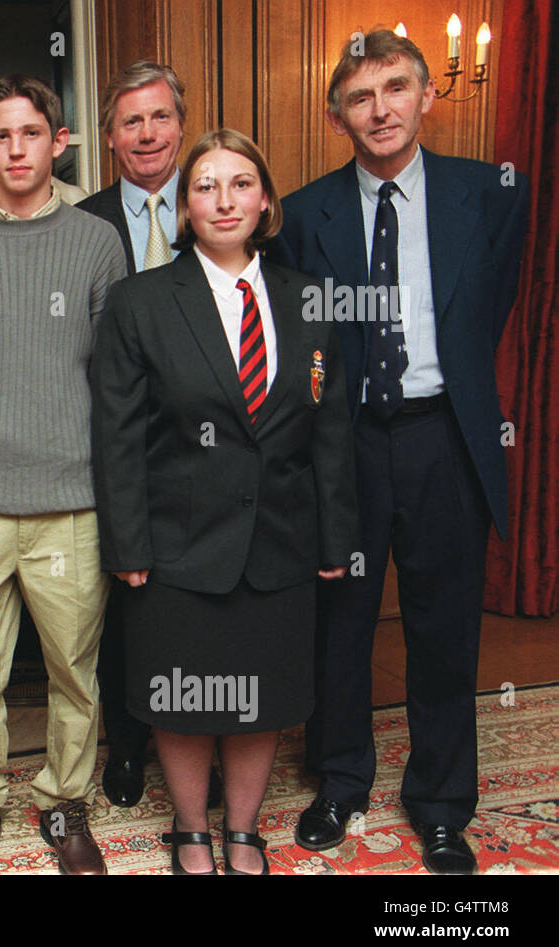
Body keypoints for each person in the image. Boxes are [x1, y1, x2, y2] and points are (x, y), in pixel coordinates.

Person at [272, 29, 529, 874]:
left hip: (441, 437)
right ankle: (340, 781)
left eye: (395, 89)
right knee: (340, 624)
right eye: (360, 95)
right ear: (336, 113)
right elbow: (301, 342)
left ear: (427, 95)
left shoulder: (490, 193)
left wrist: (445, 383)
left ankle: (443, 802)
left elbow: (486, 311)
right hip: (345, 445)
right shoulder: (305, 214)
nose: (379, 109)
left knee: (444, 629)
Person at [91, 128, 359, 874]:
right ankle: (189, 829)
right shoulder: (140, 301)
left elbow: (330, 425)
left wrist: (336, 538)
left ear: (265, 199)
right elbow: (116, 437)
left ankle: (241, 828)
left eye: (241, 183)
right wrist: (129, 546)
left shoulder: (309, 298)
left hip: (279, 541)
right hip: (177, 548)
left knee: (263, 697)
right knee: (181, 698)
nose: (224, 199)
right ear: (184, 205)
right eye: (205, 186)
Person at [0, 74, 127, 875]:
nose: (17, 149)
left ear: (59, 142)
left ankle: (64, 803)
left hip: (69, 502)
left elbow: (113, 376)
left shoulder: (95, 242)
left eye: (31, 134)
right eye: (2, 137)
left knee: (73, 673)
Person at [77, 59, 226, 809]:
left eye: (160, 116)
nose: (147, 133)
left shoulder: (217, 205)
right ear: (109, 136)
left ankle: (213, 740)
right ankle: (130, 745)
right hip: (124, 448)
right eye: (130, 120)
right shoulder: (83, 223)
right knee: (127, 608)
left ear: (182, 123)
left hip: (212, 455)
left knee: (207, 605)